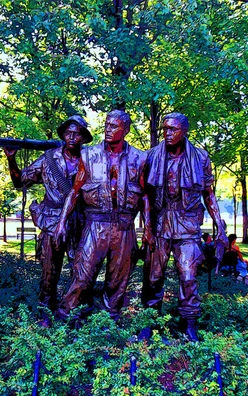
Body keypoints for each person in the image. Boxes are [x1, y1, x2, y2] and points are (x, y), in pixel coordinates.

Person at [55, 110, 151, 321]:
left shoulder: (140, 158)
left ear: (125, 130)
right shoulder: (88, 155)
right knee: (83, 275)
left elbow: (144, 196)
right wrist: (61, 223)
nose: (108, 129)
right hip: (95, 225)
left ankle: (110, 321)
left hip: (124, 227)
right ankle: (65, 317)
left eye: (114, 126)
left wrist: (148, 230)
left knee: (118, 280)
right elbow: (75, 191)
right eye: (106, 125)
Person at [141, 112, 227, 342]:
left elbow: (208, 194)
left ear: (184, 131)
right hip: (160, 223)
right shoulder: (151, 157)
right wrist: (147, 227)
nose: (168, 134)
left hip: (187, 224)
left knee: (188, 276)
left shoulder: (200, 158)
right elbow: (146, 195)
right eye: (165, 129)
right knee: (153, 277)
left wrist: (219, 225)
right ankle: (149, 322)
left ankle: (189, 324)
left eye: (173, 129)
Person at [3, 115, 92, 317]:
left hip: (81, 222)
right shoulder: (49, 158)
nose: (71, 137)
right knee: (49, 271)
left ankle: (75, 312)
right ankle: (45, 312)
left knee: (81, 270)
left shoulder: (91, 158)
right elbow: (20, 182)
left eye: (76, 133)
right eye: (68, 133)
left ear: (83, 137)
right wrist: (11, 159)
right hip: (51, 221)